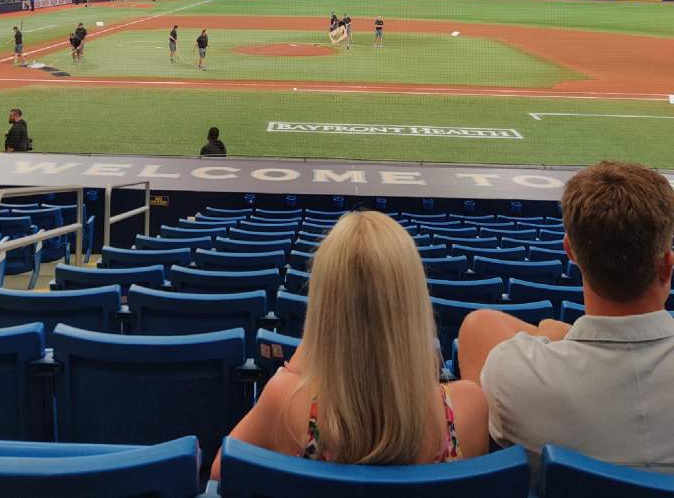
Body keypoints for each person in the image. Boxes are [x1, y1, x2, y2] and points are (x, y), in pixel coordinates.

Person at [210, 211, 487, 480]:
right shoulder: (469, 408)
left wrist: (311, 347)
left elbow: (221, 472)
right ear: (414, 302)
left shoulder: (285, 403)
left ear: (323, 310)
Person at [458, 161, 674, 477]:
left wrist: (558, 333)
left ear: (570, 251)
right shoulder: (517, 372)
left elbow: (480, 327)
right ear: (667, 266)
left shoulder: (514, 377)